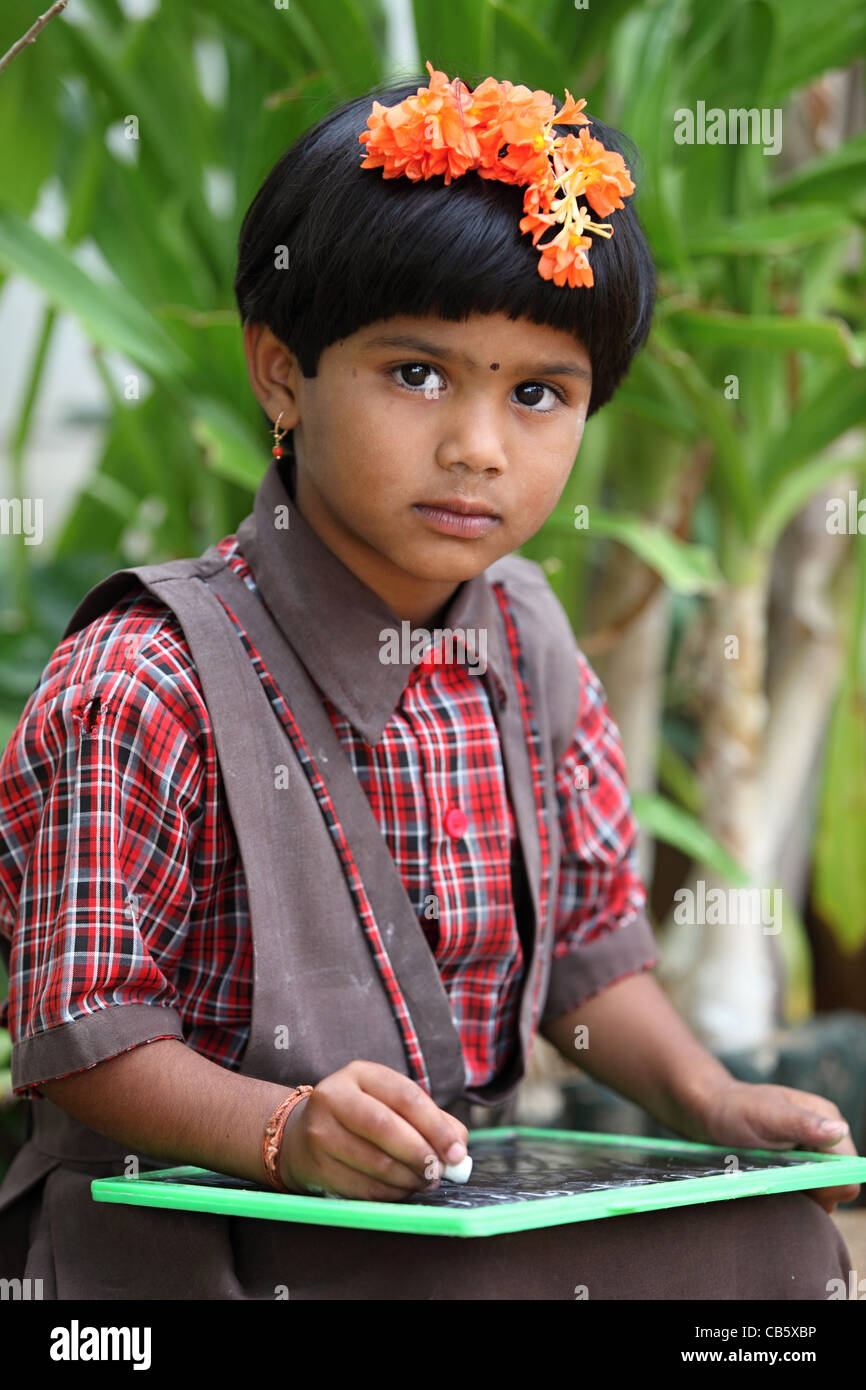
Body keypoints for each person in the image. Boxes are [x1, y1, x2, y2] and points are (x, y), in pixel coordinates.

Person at [0, 62, 857, 1300]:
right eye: (417, 374)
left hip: (441, 1210)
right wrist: (285, 1131)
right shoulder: (145, 674)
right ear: (281, 371)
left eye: (536, 393)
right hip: (192, 1234)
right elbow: (83, 1035)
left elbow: (583, 955)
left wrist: (707, 1097)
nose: (476, 445)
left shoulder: (524, 633)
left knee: (773, 1249)